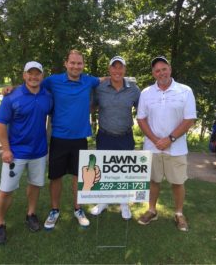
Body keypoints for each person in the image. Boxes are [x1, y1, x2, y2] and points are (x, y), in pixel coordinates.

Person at [43, 49, 104, 229]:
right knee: (56, 176)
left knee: (80, 177)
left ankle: (78, 209)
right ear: (66, 63)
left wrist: (123, 79)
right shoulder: (53, 80)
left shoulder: (88, 80)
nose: (76, 66)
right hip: (59, 137)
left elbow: (104, 79)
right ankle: (55, 210)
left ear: (83, 65)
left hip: (79, 139)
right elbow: (33, 85)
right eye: (73, 63)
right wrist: (10, 89)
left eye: (79, 63)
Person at [0, 61, 53, 244]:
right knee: (6, 190)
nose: (34, 77)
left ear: (42, 76)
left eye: (37, 74)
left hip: (39, 152)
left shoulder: (47, 96)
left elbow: (51, 116)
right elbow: (1, 123)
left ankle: (31, 214)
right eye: (30, 73)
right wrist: (5, 149)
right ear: (24, 75)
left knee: (35, 185)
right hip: (16, 153)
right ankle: (0, 224)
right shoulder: (12, 96)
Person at [137, 56, 196, 232]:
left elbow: (189, 118)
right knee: (154, 180)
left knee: (177, 182)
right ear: (153, 73)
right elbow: (141, 119)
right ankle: (152, 210)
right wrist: (156, 140)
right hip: (152, 146)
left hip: (176, 147)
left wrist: (169, 139)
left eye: (164, 69)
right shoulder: (146, 93)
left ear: (169, 69)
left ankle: (178, 213)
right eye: (157, 70)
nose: (161, 72)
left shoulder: (185, 91)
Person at [90, 56, 141, 219]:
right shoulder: (100, 88)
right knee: (104, 170)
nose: (117, 71)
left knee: (124, 172)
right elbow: (91, 106)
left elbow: (144, 110)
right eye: (114, 67)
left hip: (125, 136)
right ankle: (103, 201)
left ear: (124, 70)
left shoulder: (134, 89)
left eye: (120, 67)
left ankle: (124, 204)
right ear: (109, 69)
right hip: (105, 136)